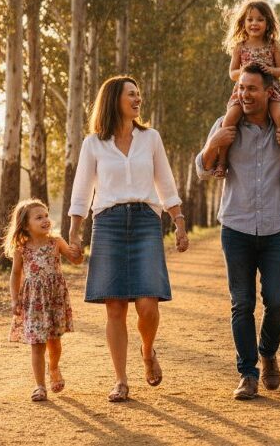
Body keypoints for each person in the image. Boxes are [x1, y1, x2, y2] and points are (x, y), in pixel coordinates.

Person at [196, 62, 280, 400]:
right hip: (236, 227)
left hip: (276, 228)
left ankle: (267, 351)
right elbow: (203, 168)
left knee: (277, 302)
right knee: (242, 303)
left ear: (269, 92)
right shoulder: (225, 125)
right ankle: (247, 373)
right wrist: (213, 143)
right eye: (241, 88)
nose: (245, 94)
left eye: (252, 89)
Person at [68, 75, 189, 403]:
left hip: (146, 223)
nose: (137, 100)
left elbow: (165, 182)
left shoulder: (150, 138)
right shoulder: (93, 143)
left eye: (139, 95)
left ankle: (147, 351)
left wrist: (178, 220)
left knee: (148, 304)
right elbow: (82, 189)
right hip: (107, 223)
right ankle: (121, 379)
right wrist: (75, 232)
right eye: (131, 95)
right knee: (116, 306)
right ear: (113, 100)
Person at [214, 0, 280, 180]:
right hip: (244, 90)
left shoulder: (273, 45)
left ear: (268, 22)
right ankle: (222, 162)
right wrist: (246, 71)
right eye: (250, 19)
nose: (255, 23)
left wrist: (270, 70)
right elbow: (232, 73)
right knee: (229, 118)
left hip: (271, 89)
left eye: (260, 19)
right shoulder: (240, 47)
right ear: (243, 22)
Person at [6, 199, 83, 402]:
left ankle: (54, 366)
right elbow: (15, 274)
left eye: (46, 215)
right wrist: (15, 299)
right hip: (32, 301)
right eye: (39, 217)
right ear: (25, 224)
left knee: (54, 343)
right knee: (37, 344)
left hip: (54, 299)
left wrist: (78, 249)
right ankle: (39, 386)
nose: (45, 220)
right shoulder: (21, 248)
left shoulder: (55, 242)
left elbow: (75, 260)